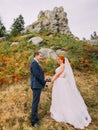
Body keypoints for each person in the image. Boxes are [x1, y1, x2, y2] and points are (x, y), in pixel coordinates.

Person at [50, 55, 91, 129]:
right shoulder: (62, 66)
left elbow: (57, 74)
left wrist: (51, 81)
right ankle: (60, 111)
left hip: (61, 84)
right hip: (59, 83)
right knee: (59, 98)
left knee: (64, 98)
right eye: (57, 59)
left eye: (59, 59)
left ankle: (67, 114)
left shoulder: (63, 66)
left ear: (62, 60)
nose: (58, 60)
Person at [30, 51, 49, 128]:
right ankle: (34, 121)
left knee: (36, 102)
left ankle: (34, 118)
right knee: (35, 102)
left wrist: (45, 80)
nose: (41, 57)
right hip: (36, 85)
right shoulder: (34, 63)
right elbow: (37, 75)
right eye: (40, 56)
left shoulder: (36, 63)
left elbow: (39, 75)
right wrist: (44, 82)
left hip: (37, 85)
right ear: (36, 55)